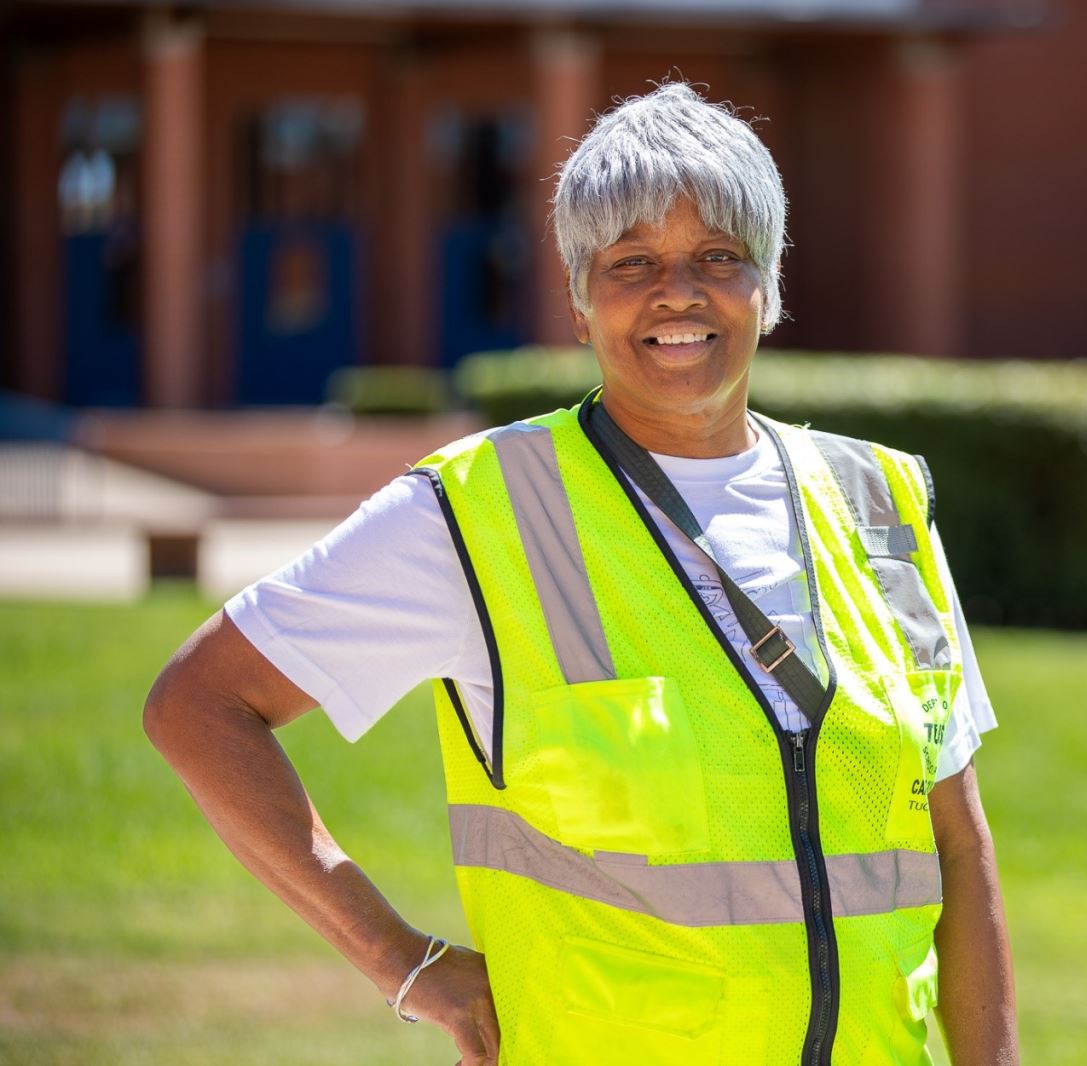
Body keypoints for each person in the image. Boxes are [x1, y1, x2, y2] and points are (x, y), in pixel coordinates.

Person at [145, 82, 1018, 1065]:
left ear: (767, 286)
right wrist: (400, 956)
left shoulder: (877, 504)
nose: (677, 291)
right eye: (631, 261)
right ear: (577, 298)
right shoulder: (475, 510)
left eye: (718, 257)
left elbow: (955, 838)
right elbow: (199, 704)